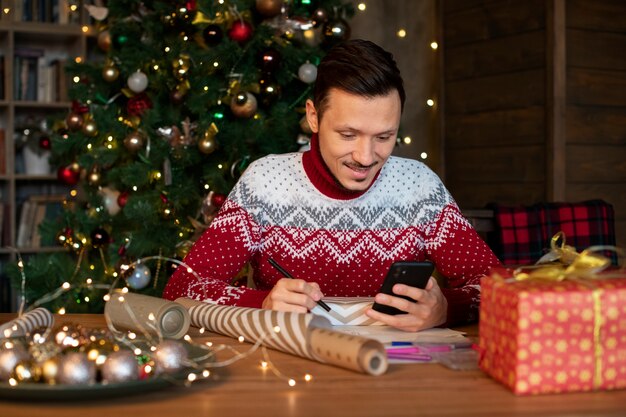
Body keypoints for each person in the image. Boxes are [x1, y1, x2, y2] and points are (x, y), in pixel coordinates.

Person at [163, 39, 501, 331]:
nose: (366, 156)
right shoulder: (264, 183)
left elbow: (498, 288)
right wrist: (261, 303)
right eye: (348, 134)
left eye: (384, 136)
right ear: (313, 116)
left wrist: (446, 309)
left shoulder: (419, 186)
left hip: (393, 379)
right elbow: (183, 288)